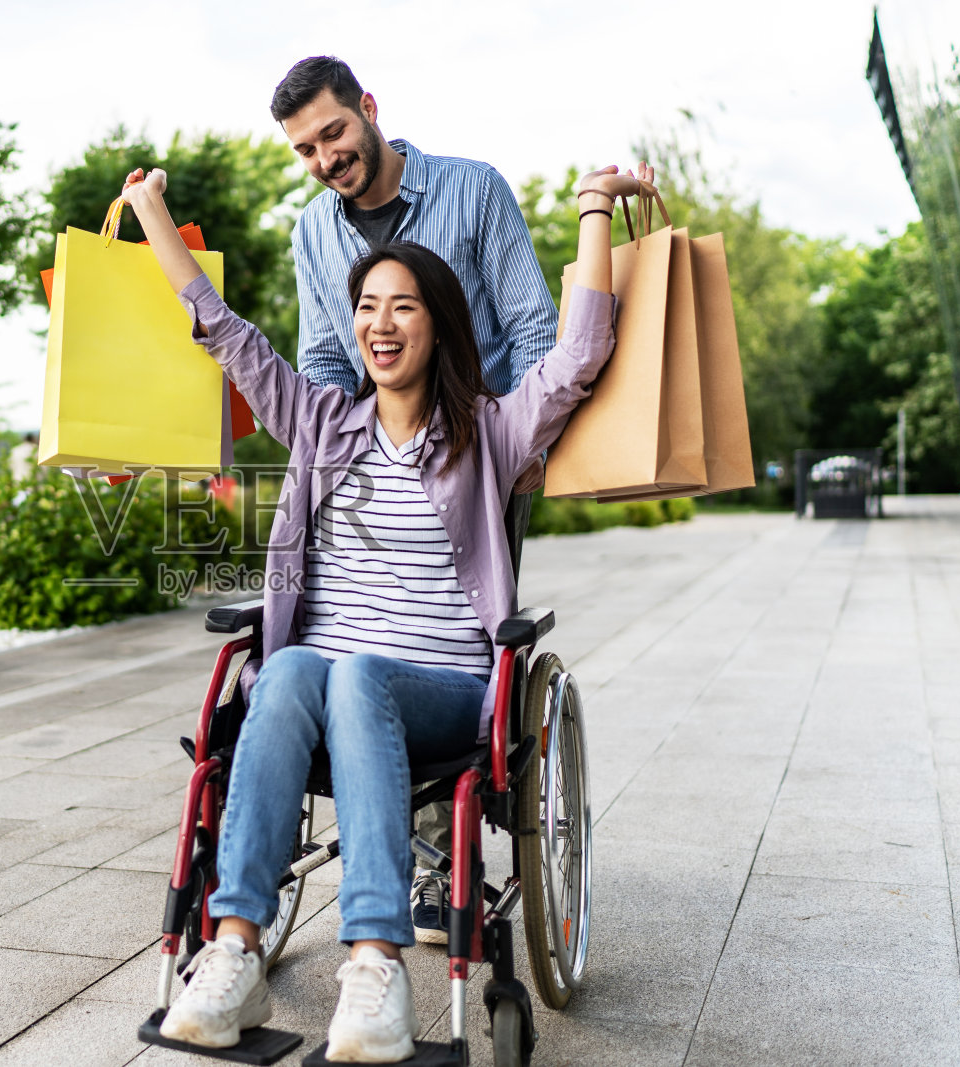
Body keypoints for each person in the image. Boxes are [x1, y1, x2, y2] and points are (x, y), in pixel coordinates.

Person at [117, 159, 648, 1061]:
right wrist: (150, 212)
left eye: (403, 306)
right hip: (319, 687)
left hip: (441, 688)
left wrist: (594, 206)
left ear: (438, 323)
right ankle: (234, 951)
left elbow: (580, 354)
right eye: (366, 306)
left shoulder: (492, 432)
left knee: (357, 673)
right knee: (287, 665)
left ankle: (376, 963)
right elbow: (221, 329)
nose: (380, 323)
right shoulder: (322, 421)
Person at [271, 57, 561, 940]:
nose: (325, 158)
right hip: (369, 455)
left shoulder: (472, 191)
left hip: (476, 454)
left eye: (333, 132)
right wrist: (340, 450)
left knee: (436, 632)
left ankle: (434, 861)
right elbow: (325, 356)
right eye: (305, 149)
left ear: (368, 109)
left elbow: (534, 328)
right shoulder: (312, 233)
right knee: (343, 628)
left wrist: (516, 443)